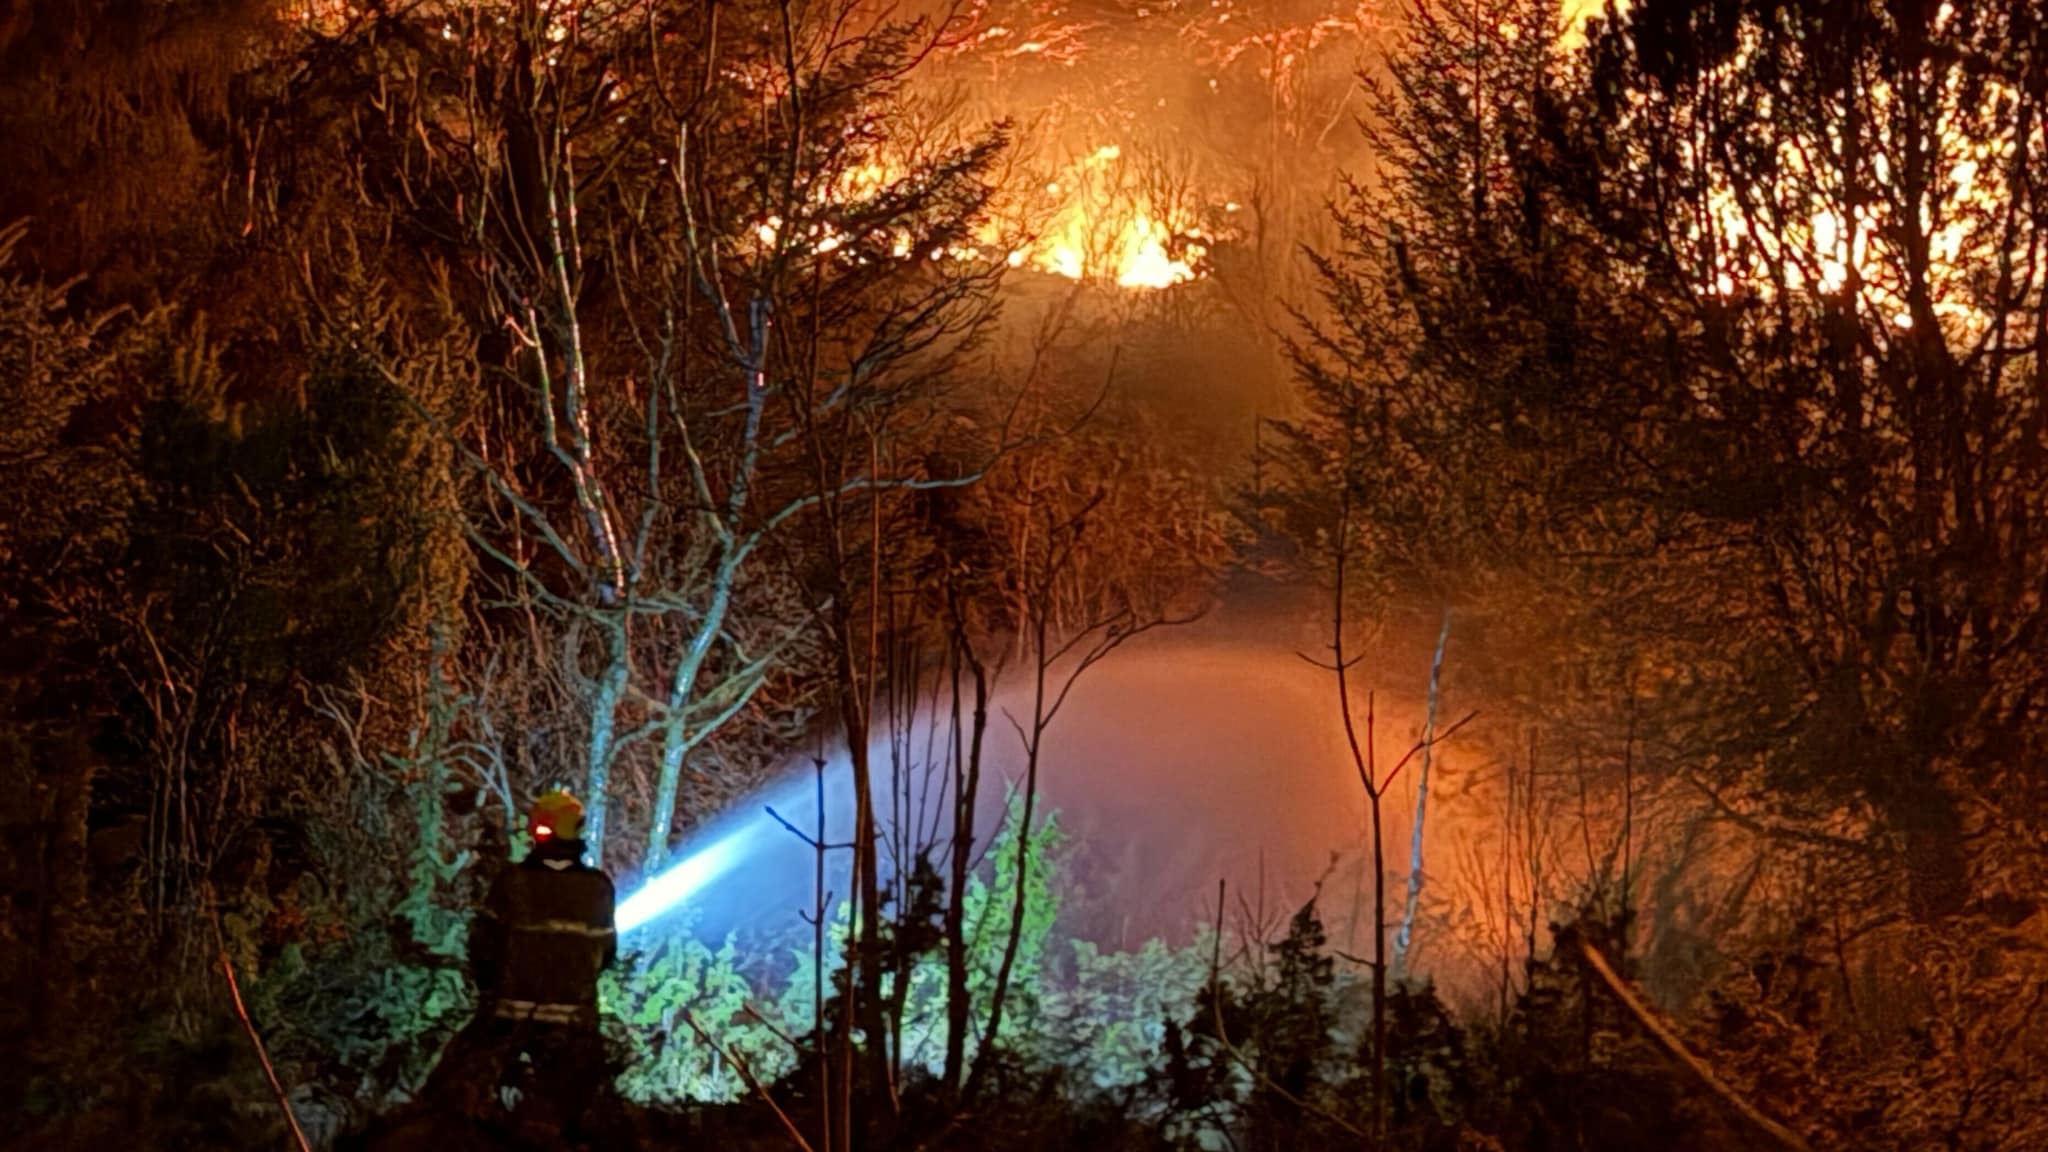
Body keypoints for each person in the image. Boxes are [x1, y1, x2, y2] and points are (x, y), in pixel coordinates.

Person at [425, 790, 618, 1140]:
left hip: (508, 1021)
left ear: (538, 831)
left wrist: (491, 994)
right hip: (575, 1027)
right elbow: (606, 955)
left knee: (446, 1106)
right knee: (591, 1123)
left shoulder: (511, 882)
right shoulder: (598, 888)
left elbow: (482, 949)